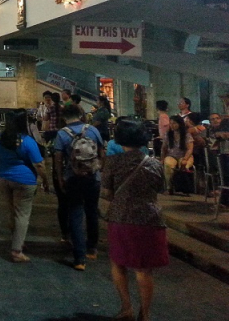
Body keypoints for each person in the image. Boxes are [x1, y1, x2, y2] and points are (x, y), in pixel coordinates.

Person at [102, 119, 168, 321]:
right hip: (149, 219)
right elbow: (160, 189)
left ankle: (126, 308)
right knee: (144, 270)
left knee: (118, 263)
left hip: (121, 217)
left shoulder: (113, 162)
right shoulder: (154, 164)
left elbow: (106, 192)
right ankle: (145, 314)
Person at [0, 109, 48, 262]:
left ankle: (17, 239)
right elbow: (39, 164)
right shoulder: (27, 141)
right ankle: (17, 250)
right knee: (22, 214)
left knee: (12, 211)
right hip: (24, 180)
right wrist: (46, 180)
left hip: (4, 178)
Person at [54, 104, 105, 270]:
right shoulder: (92, 130)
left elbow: (58, 159)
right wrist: (97, 169)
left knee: (75, 214)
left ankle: (79, 259)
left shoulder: (62, 134)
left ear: (64, 117)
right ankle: (92, 249)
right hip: (93, 177)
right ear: (80, 114)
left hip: (73, 178)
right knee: (91, 212)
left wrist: (61, 178)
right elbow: (102, 153)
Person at [161, 115, 194, 195]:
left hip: (185, 155)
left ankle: (184, 188)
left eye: (174, 123)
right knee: (168, 165)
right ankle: (169, 187)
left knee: (183, 166)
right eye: (171, 123)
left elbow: (190, 149)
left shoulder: (186, 135)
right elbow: (164, 148)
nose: (172, 125)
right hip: (171, 155)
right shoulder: (168, 134)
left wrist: (185, 159)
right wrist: (162, 159)